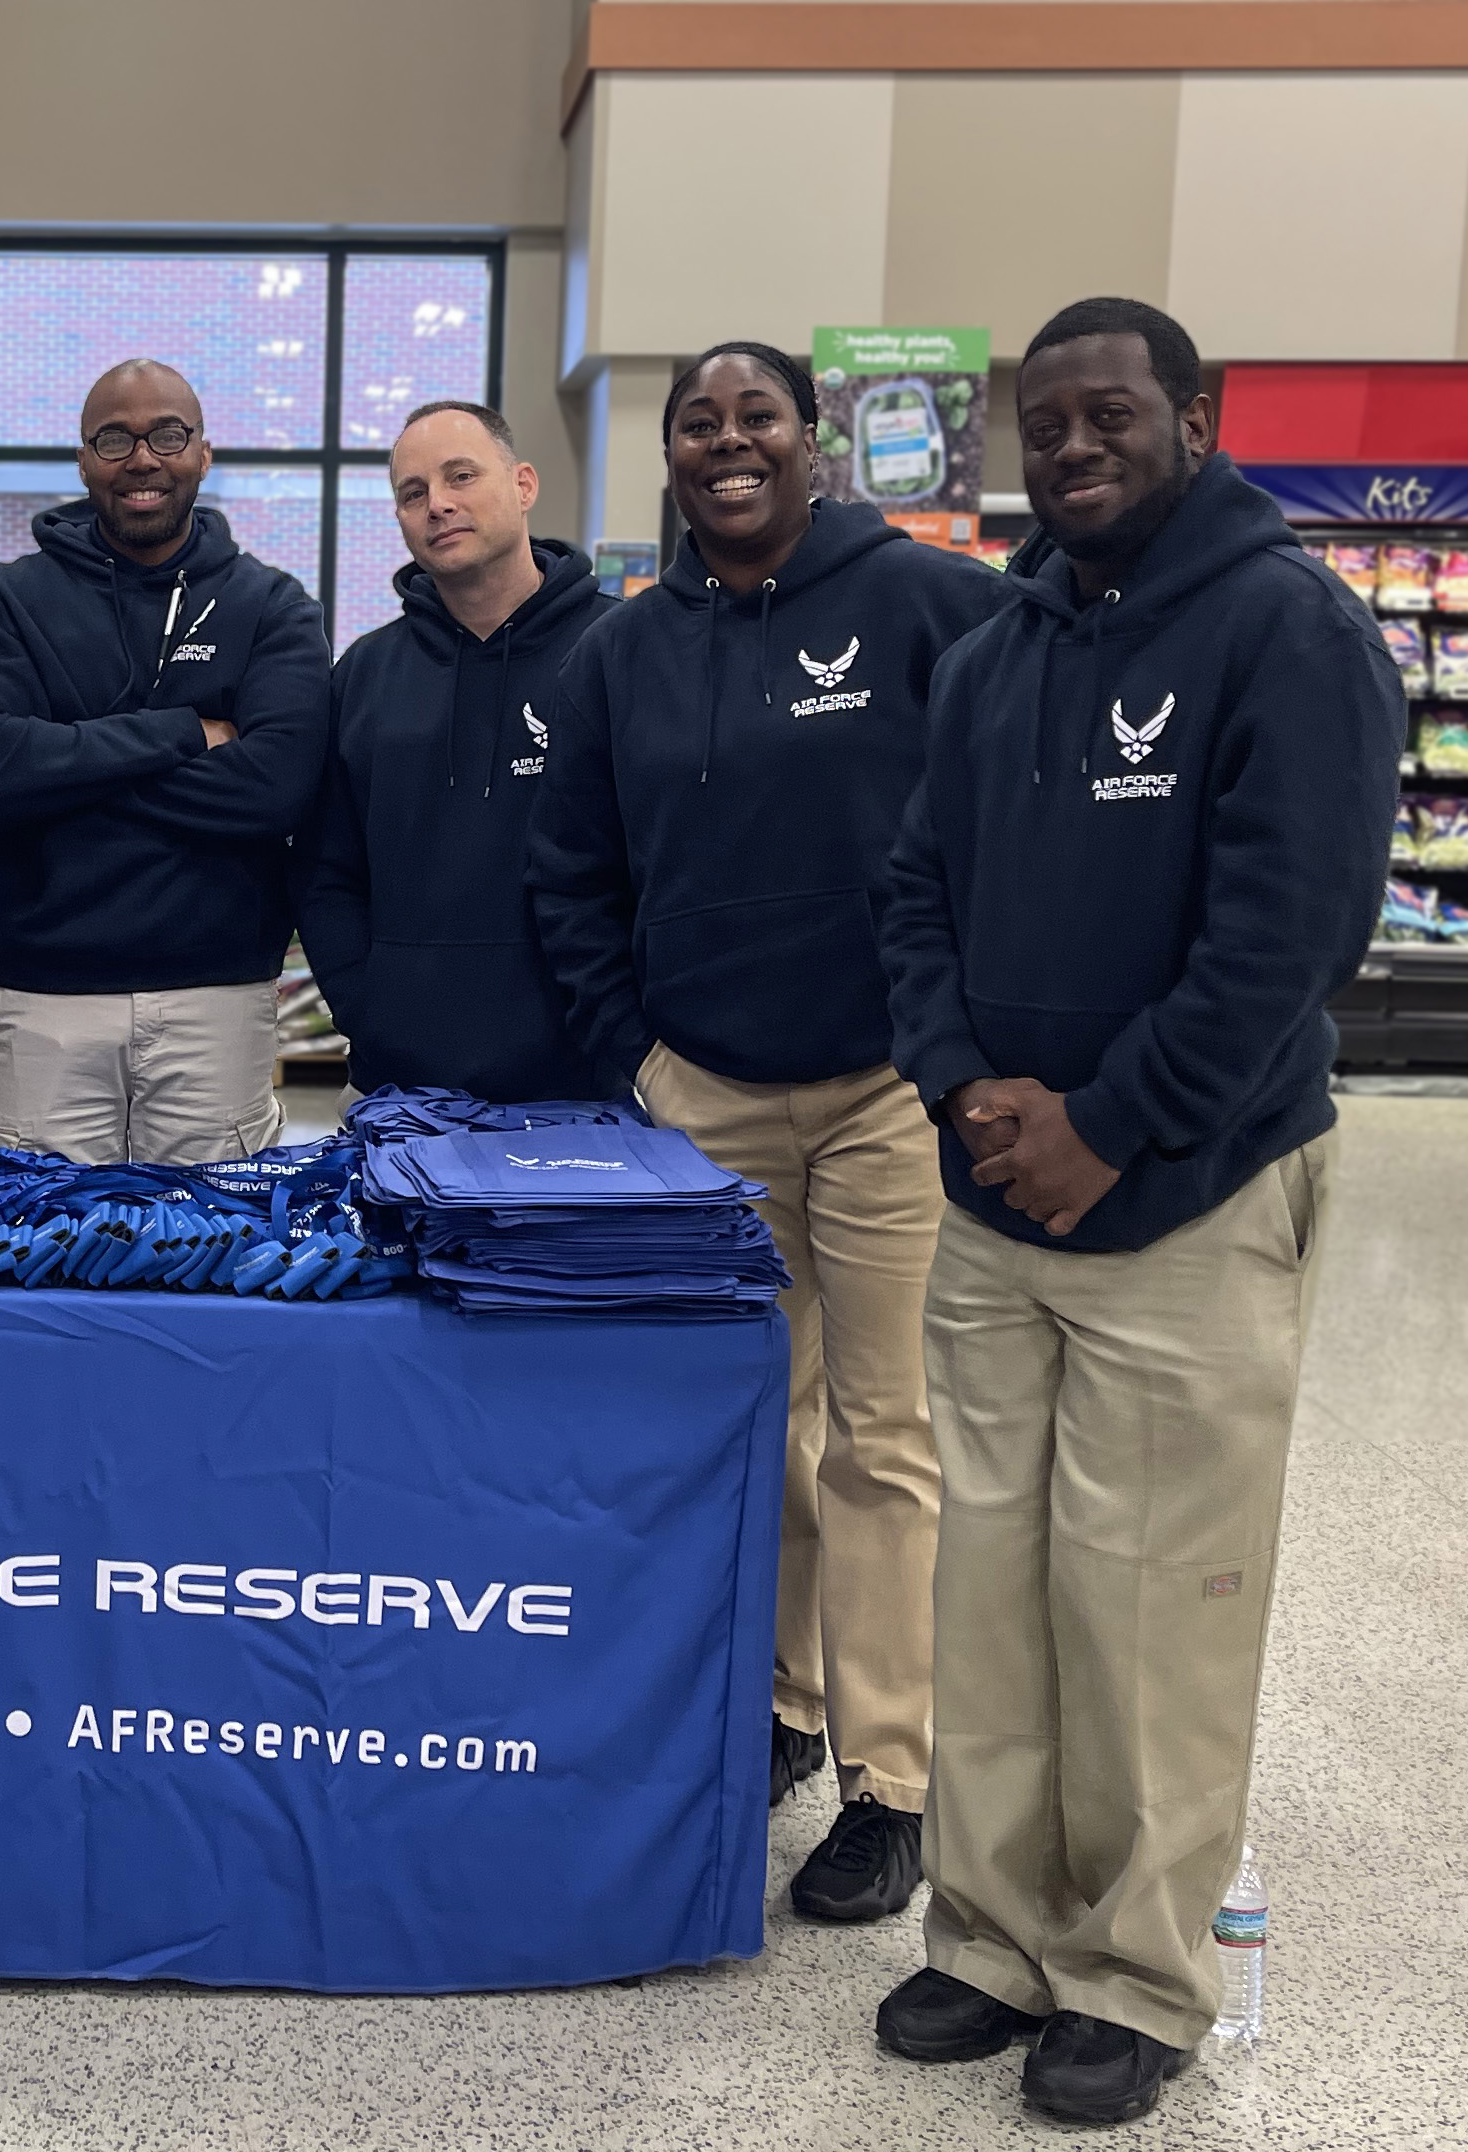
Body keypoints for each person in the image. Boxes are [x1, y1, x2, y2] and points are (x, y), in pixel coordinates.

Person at [871, 298, 1398, 2125]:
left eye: (1108, 412)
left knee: (1149, 1603)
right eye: (1045, 419)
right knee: (989, 1590)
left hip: (1186, 1190)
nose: (1073, 444)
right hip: (990, 1189)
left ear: (1193, 414)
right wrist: (955, 1086)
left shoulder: (1284, 630)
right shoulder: (997, 642)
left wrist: (1110, 1121)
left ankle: (1134, 1972)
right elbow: (912, 888)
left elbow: (1287, 936)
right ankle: (988, 1935)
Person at [530, 341, 1008, 1924]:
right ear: (667, 455)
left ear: (812, 439)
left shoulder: (933, 608)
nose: (726, 443)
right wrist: (637, 1055)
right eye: (697, 424)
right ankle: (788, 1703)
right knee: (755, 1420)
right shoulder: (626, 648)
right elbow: (572, 867)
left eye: (756, 417)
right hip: (705, 1097)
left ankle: (896, 1777)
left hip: (885, 1094)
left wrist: (960, 1044)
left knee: (886, 1435)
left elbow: (1012, 827)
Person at [0, 357, 328, 1163]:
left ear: (204, 453)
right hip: (43, 999)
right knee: (37, 1261)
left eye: (168, 435)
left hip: (216, 997)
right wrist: (184, 731)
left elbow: (277, 788)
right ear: (82, 460)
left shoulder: (272, 606)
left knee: (210, 1262)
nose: (143, 458)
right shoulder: (4, 601)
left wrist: (62, 768)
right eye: (115, 438)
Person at [295, 399, 614, 1100]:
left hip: (590, 1083)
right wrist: (368, 1012)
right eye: (413, 493)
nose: (438, 504)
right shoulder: (364, 675)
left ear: (523, 485)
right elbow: (325, 873)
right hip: (400, 1084)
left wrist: (626, 1032)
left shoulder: (619, 652)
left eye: (460, 476)